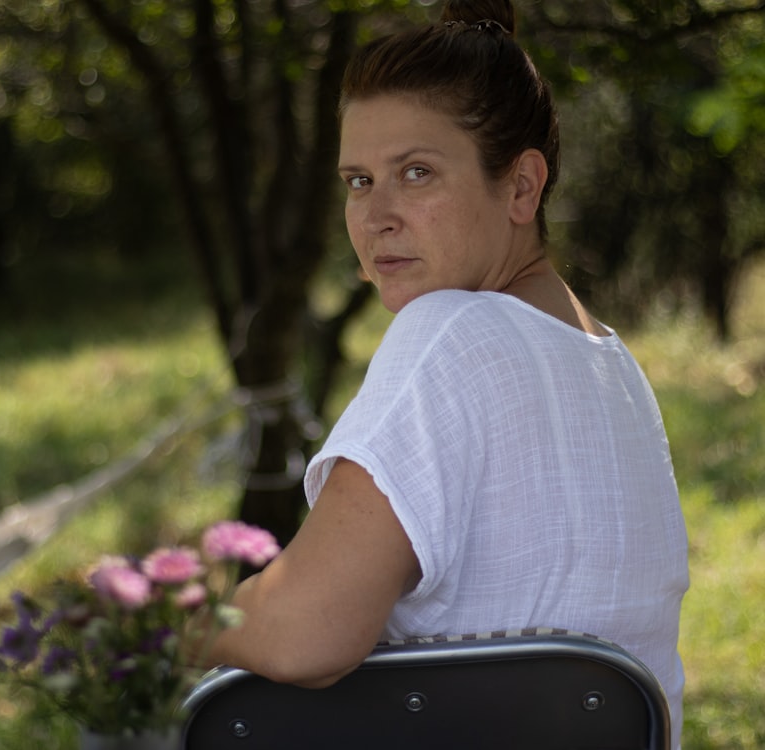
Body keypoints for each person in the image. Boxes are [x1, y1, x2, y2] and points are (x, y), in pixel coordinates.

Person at [204, 0, 689, 746]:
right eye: (359, 181)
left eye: (417, 173)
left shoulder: (450, 330)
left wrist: (169, 626)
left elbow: (306, 633)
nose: (376, 216)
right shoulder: (612, 363)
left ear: (523, 187)